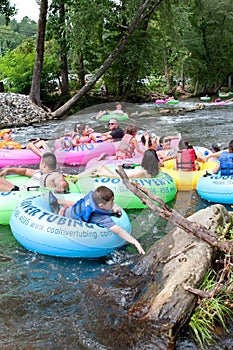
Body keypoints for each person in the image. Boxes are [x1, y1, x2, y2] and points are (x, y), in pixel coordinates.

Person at [49, 186, 145, 255]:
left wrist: (113, 209)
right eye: (111, 202)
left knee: (73, 204)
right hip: (62, 215)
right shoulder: (99, 216)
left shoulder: (92, 200)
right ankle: (57, 205)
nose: (113, 204)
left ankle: (58, 201)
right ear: (101, 206)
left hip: (71, 209)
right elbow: (118, 230)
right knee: (67, 207)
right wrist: (135, 242)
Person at [73, 148, 160, 180]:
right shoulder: (154, 170)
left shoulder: (143, 172)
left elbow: (123, 178)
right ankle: (77, 177)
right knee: (99, 167)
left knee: (98, 167)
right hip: (122, 175)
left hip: (117, 177)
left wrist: (103, 174)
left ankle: (76, 177)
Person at [0, 152, 68, 192]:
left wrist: (58, 187)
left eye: (40, 163)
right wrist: (9, 169)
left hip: (24, 194)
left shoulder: (54, 176)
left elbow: (63, 184)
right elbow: (25, 171)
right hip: (20, 190)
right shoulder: (38, 172)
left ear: (44, 165)